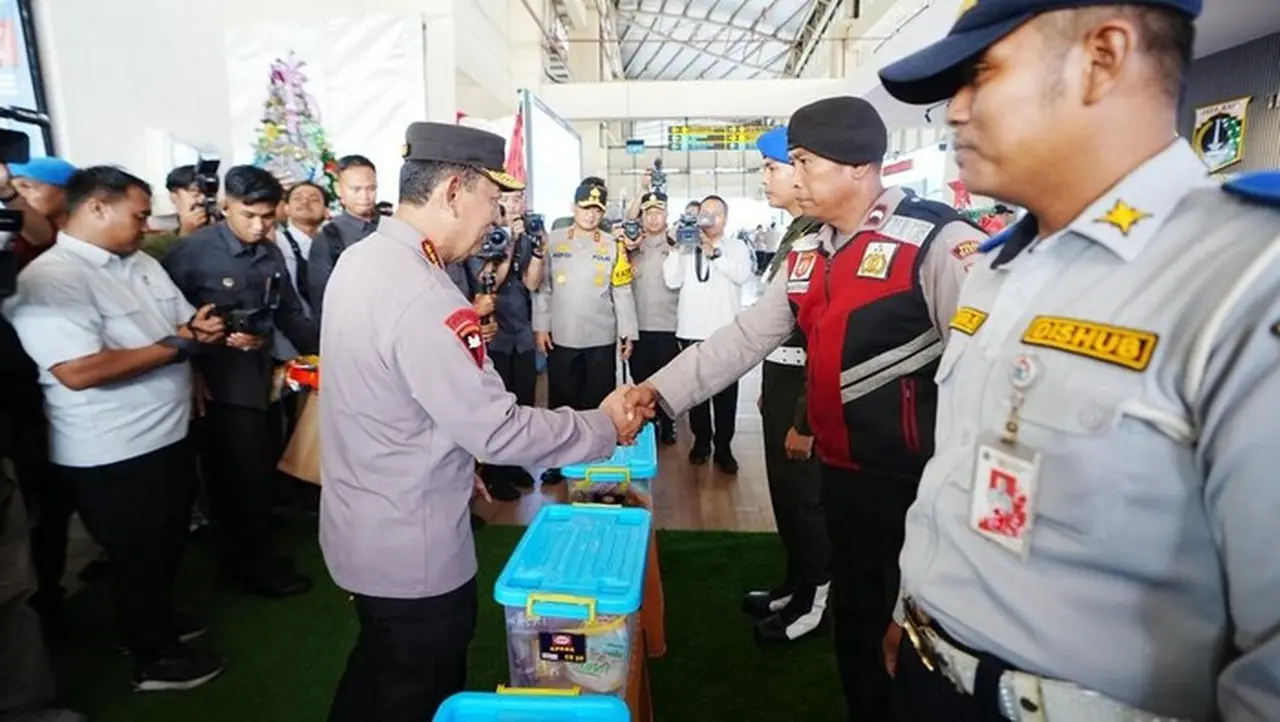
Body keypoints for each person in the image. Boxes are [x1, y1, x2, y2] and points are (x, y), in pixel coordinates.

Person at [876, 1, 1280, 720]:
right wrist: (922, 613)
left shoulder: (1247, 279)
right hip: (926, 669)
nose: (954, 112)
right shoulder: (1002, 265)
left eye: (980, 75)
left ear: (1102, 58)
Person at [625, 96, 987, 721]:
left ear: (857, 166)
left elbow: (985, 384)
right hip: (843, 481)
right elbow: (742, 339)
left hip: (918, 495)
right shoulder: (806, 252)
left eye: (802, 162)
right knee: (859, 633)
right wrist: (656, 392)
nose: (793, 177)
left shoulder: (936, 242)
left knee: (918, 659)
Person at [318, 121, 650, 722]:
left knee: (378, 666)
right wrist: (601, 426)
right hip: (412, 543)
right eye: (490, 201)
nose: (494, 219)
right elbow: (498, 430)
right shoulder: (425, 294)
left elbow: (390, 397)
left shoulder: (362, 260)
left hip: (362, 522)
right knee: (415, 687)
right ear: (452, 191)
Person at [4, 166, 228, 691]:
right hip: (111, 449)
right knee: (137, 555)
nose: (147, 227)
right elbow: (78, 371)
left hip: (168, 434)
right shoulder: (51, 278)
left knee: (165, 545)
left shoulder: (141, 263)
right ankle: (154, 662)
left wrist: (194, 337)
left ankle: (150, 627)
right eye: (139, 216)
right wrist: (176, 346)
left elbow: (186, 321)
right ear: (96, 208)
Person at [163, 165, 318, 599]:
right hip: (217, 386)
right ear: (226, 205)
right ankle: (248, 568)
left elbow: (287, 311)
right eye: (249, 214)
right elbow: (168, 322)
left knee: (258, 474)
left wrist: (328, 350)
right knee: (235, 481)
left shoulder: (268, 252)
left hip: (261, 379)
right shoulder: (191, 253)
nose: (258, 225)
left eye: (268, 216)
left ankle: (255, 555)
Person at [744, 125, 829, 645]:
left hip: (806, 380)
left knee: (806, 497)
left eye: (772, 167)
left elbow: (822, 333)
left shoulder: (820, 232)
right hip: (782, 373)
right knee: (784, 490)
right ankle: (798, 582)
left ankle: (817, 601)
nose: (765, 178)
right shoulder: (797, 230)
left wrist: (803, 415)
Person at [533, 177, 639, 485]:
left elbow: (622, 291)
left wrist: (627, 331)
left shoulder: (611, 246)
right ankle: (558, 460)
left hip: (600, 336)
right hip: (562, 335)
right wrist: (541, 326)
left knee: (597, 401)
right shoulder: (552, 241)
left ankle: (595, 456)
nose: (591, 215)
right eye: (585, 208)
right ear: (573, 207)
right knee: (562, 402)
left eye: (597, 209)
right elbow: (543, 288)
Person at [662, 195, 753, 473]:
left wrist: (713, 251)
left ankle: (724, 447)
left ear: (724, 218)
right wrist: (677, 248)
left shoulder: (736, 246)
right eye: (703, 213)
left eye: (714, 213)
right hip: (691, 330)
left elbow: (742, 276)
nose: (708, 218)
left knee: (726, 394)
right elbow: (671, 281)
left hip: (725, 332)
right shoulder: (686, 246)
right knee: (697, 394)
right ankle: (702, 442)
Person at [472, 190, 547, 496]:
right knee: (498, 407)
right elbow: (490, 281)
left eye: (521, 198)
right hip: (495, 333)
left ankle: (515, 463)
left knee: (523, 401)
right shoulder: (486, 236)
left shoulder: (526, 235)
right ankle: (494, 472)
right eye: (511, 199)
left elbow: (532, 283)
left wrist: (538, 250)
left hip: (521, 331)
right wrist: (511, 242)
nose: (517, 204)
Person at [620, 191, 680, 445]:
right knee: (641, 379)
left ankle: (668, 424)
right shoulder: (631, 247)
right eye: (649, 213)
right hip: (638, 327)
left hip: (669, 326)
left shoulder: (675, 245)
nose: (654, 219)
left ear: (667, 215)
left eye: (659, 213)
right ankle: (649, 423)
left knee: (666, 382)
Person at [307, 155, 380, 316]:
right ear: (339, 189)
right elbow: (321, 297)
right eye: (356, 189)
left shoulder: (391, 227)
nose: (365, 196)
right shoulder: (328, 238)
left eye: (371, 188)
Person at [140, 165, 213, 260]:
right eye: (195, 194)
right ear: (174, 197)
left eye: (208, 194)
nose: (202, 200)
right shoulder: (157, 243)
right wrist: (186, 233)